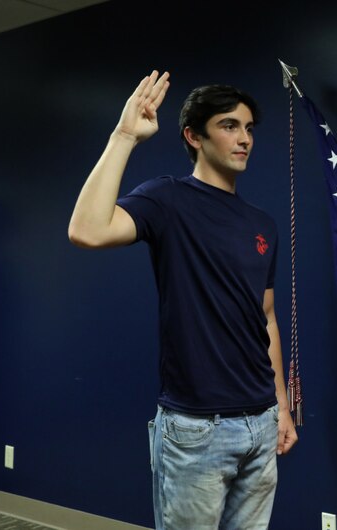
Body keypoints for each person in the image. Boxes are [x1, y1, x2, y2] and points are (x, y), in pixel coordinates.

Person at [68, 71, 298, 530]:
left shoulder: (262, 224)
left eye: (249, 128)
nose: (244, 138)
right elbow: (87, 230)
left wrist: (282, 406)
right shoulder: (167, 199)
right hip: (197, 430)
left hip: (260, 422)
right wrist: (125, 135)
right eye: (229, 126)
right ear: (194, 136)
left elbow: (266, 316)